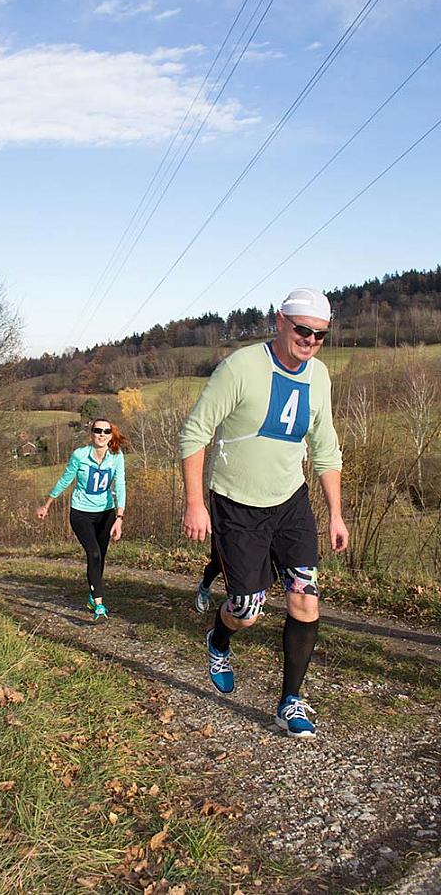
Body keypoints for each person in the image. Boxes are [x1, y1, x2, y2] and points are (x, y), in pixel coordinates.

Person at [180, 288, 348, 738]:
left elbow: (326, 447)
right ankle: (219, 638)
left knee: (305, 598)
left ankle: (290, 701)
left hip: (290, 501)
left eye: (320, 335)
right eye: (303, 330)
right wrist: (196, 504)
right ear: (280, 321)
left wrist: (335, 513)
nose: (310, 341)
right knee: (247, 611)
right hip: (237, 505)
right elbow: (195, 433)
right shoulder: (241, 367)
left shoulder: (319, 376)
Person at [36, 419, 127, 621]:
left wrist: (119, 517)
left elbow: (120, 485)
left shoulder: (116, 456)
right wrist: (47, 504)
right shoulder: (80, 455)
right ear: (91, 434)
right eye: (97, 430)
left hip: (106, 513)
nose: (101, 434)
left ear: (111, 435)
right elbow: (65, 479)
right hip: (81, 513)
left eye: (106, 431)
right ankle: (100, 606)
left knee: (100, 557)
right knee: (93, 554)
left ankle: (93, 593)